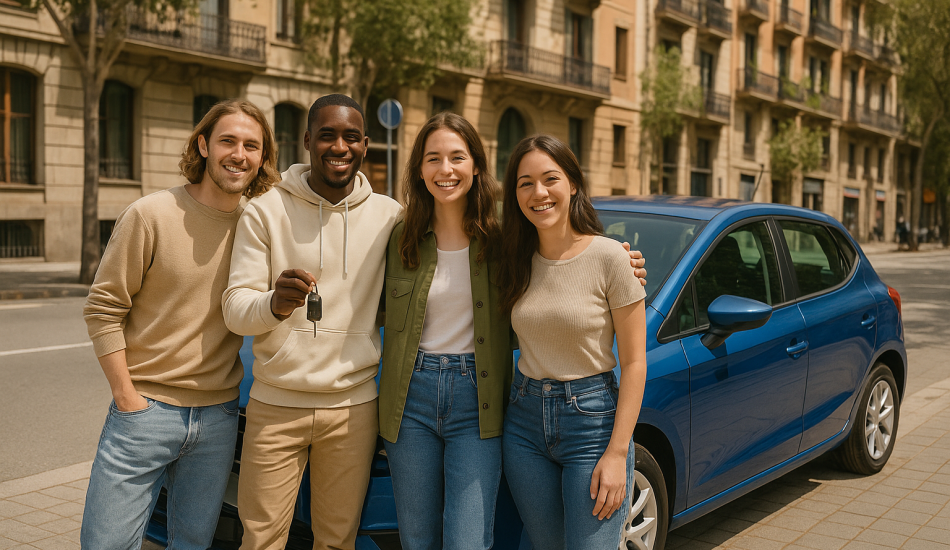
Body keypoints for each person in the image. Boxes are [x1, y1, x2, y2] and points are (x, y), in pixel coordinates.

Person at [378, 114, 648, 550]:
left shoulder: (502, 245)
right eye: (433, 158)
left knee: (469, 541)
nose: (446, 169)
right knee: (418, 539)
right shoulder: (405, 239)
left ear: (477, 167)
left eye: (457, 157)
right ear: (418, 169)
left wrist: (624, 259)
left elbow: (625, 348)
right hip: (433, 401)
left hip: (498, 400)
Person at [81, 99, 278, 549]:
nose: (239, 154)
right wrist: (126, 397)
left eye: (252, 145)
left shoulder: (259, 226)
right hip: (144, 413)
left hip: (219, 417)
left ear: (263, 158)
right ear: (203, 145)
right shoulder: (151, 214)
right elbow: (104, 307)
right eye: (228, 140)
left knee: (192, 544)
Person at [222, 94, 403, 550]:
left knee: (337, 542)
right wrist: (274, 305)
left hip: (353, 409)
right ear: (307, 141)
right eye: (326, 135)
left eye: (349, 137)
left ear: (365, 145)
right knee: (260, 540)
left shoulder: (390, 216)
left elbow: (451, 261)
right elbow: (235, 308)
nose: (337, 146)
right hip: (275, 405)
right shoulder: (264, 209)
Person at [498, 135, 647, 550]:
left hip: (592, 424)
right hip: (524, 423)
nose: (538, 193)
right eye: (525, 183)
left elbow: (635, 363)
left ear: (573, 184)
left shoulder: (611, 257)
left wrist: (617, 454)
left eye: (550, 179)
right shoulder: (513, 258)